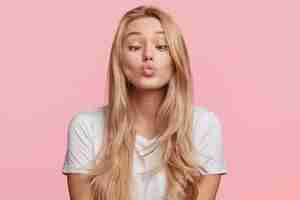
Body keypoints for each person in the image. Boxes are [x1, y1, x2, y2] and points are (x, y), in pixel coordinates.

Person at [62, 5, 228, 200]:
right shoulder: (86, 127)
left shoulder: (204, 125)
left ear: (176, 58)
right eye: (134, 46)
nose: (148, 55)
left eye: (161, 46)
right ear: (120, 60)